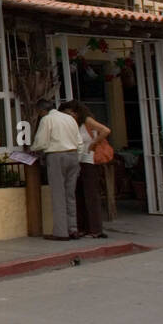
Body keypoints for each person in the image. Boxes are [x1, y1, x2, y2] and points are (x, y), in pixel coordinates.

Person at [31, 99, 84, 240]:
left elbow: (42, 141)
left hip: (56, 155)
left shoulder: (47, 119)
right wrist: (77, 158)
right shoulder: (69, 118)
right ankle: (73, 229)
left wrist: (32, 148)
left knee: (58, 194)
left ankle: (61, 232)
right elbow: (79, 141)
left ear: (42, 110)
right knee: (70, 194)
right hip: (73, 155)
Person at [63, 101, 111, 238]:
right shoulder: (75, 123)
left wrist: (93, 144)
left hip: (89, 160)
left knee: (91, 195)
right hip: (79, 161)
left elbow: (106, 130)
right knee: (80, 194)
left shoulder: (87, 120)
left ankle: (95, 229)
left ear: (76, 111)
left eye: (69, 112)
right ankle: (83, 227)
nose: (68, 115)